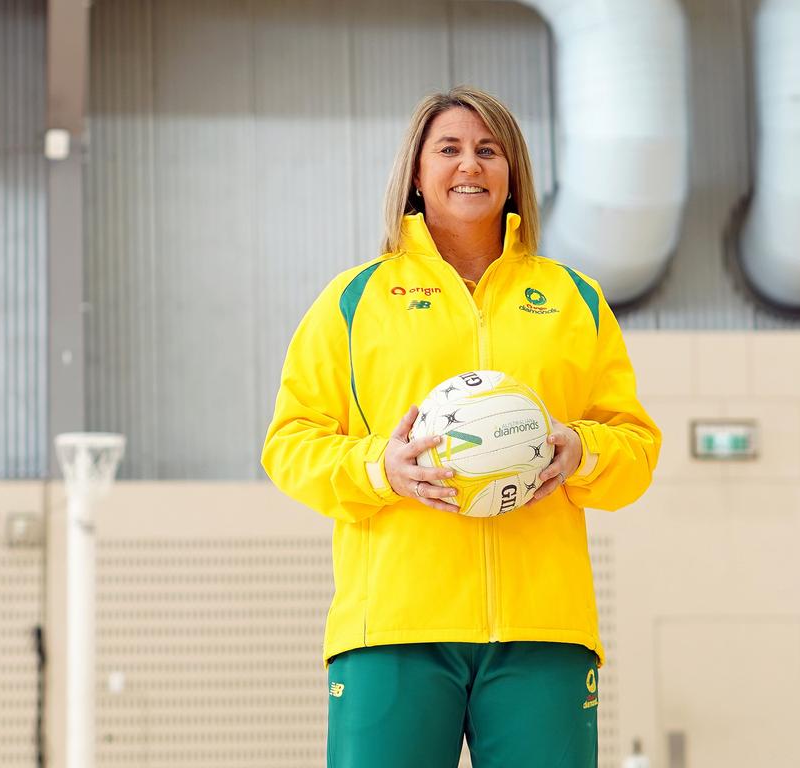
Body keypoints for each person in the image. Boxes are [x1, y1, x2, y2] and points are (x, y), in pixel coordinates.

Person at [261, 86, 661, 768]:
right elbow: (290, 444)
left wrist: (581, 450)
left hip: (543, 632)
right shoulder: (355, 300)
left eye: (488, 150)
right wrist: (378, 469)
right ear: (416, 174)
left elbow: (636, 446)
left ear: (513, 175)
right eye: (448, 149)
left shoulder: (574, 300)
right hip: (392, 629)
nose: (468, 165)